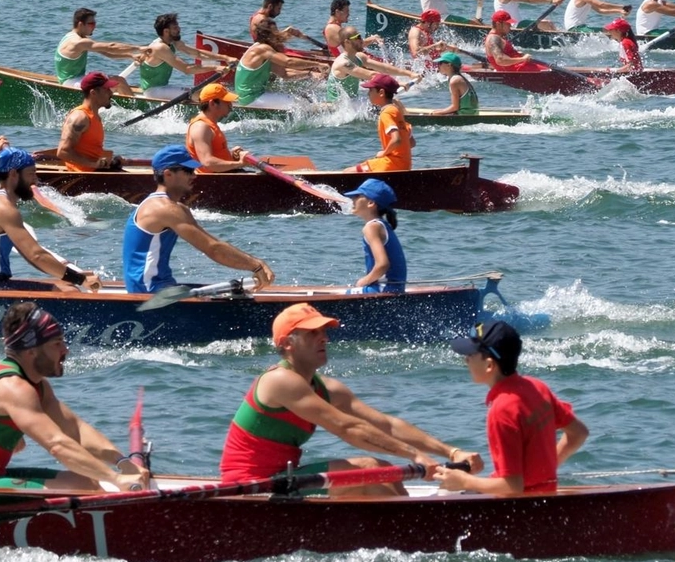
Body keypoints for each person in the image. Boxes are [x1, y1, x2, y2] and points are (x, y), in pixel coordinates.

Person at [220, 303, 477, 494]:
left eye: (324, 331)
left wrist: (452, 451)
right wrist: (415, 455)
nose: (324, 337)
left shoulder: (327, 389)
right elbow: (347, 428)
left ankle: (413, 529)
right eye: (312, 333)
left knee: (381, 469)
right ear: (287, 343)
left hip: (283, 477)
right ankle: (413, 535)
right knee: (369, 468)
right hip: (250, 485)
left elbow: (385, 424)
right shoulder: (279, 381)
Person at [0, 302, 150, 490]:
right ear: (31, 351)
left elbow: (75, 430)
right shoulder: (12, 388)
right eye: (57, 344)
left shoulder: (38, 386)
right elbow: (57, 445)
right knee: (83, 486)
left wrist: (123, 463)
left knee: (87, 481)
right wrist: (115, 478)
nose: (66, 350)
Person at [434, 320, 588, 495]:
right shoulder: (537, 387)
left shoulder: (502, 410)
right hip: (546, 495)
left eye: (471, 354)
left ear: (490, 365)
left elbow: (512, 486)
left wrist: (465, 481)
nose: (466, 359)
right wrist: (542, 471)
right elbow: (579, 433)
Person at [122, 145, 274, 294]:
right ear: (168, 174)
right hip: (147, 293)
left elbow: (214, 244)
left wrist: (254, 264)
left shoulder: (178, 208)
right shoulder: (163, 209)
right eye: (188, 171)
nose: (194, 175)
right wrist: (256, 266)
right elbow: (212, 249)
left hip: (162, 288)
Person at [0, 148, 102, 292]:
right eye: (31, 174)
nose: (35, 179)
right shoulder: (2, 208)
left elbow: (32, 257)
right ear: (13, 174)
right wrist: (81, 280)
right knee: (70, 291)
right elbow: (36, 256)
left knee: (66, 285)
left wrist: (74, 276)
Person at [137, 12, 235, 94]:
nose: (179, 29)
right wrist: (215, 68)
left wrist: (226, 58)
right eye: (175, 28)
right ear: (166, 31)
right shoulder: (159, 47)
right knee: (199, 93)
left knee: (205, 90)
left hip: (163, 88)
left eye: (178, 26)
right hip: (153, 91)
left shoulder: (172, 42)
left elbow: (198, 54)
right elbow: (186, 69)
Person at [235, 23, 329, 106]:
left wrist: (309, 73)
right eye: (276, 32)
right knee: (301, 103)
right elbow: (288, 62)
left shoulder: (263, 51)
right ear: (268, 36)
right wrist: (317, 64)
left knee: (304, 98)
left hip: (253, 96)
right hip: (251, 98)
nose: (278, 34)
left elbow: (284, 74)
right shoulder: (262, 49)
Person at [344, 179, 406, 293]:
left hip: (385, 289)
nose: (352, 199)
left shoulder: (372, 227)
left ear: (371, 203)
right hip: (394, 288)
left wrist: (364, 281)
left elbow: (383, 264)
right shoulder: (382, 224)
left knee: (347, 293)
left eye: (357, 196)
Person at [55, 7, 146, 85]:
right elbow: (111, 46)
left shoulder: (72, 37)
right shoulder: (78, 42)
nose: (94, 27)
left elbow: (108, 53)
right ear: (80, 24)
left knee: (115, 81)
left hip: (74, 80)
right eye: (92, 24)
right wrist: (138, 48)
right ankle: (131, 105)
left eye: (95, 24)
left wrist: (130, 55)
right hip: (72, 82)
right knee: (119, 82)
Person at [57, 72, 123, 172]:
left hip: (94, 171)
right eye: (106, 89)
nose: (111, 93)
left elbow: (90, 150)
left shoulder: (95, 117)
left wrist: (111, 160)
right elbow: (63, 152)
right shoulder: (80, 117)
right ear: (93, 93)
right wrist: (93, 164)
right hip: (82, 176)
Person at [329, 30, 417, 101]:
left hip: (352, 103)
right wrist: (397, 84)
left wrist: (409, 74)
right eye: (357, 37)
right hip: (337, 107)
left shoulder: (360, 57)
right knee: (392, 102)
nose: (361, 40)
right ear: (347, 42)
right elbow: (371, 75)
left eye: (360, 36)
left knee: (394, 102)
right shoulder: (344, 63)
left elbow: (384, 68)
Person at [185, 83, 251, 173]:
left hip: (224, 176)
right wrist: (240, 163)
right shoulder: (201, 127)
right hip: (215, 180)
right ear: (213, 103)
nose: (230, 105)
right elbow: (208, 162)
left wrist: (231, 155)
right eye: (226, 102)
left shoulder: (210, 125)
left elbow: (214, 157)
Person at [353, 74, 414, 172]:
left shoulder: (386, 113)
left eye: (371, 90)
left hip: (391, 164)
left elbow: (396, 139)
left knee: (348, 172)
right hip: (405, 164)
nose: (368, 94)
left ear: (381, 92)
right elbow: (411, 142)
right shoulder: (396, 111)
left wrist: (384, 153)